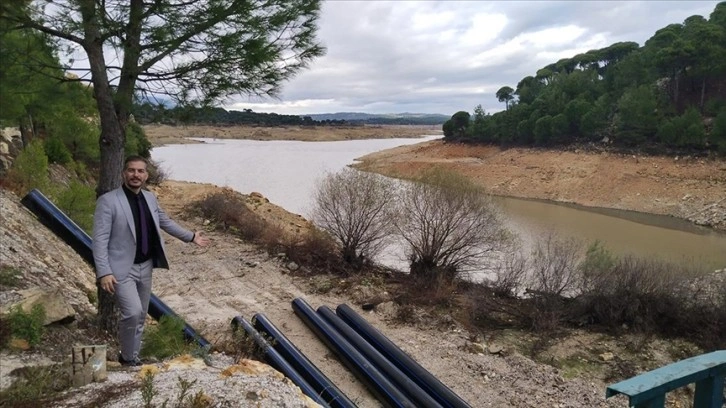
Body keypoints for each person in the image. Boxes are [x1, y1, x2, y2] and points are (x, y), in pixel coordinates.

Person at [92, 155, 210, 366]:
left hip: (145, 266)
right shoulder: (108, 201)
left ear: (146, 175)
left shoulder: (150, 198)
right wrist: (104, 272)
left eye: (140, 171)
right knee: (133, 312)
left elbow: (165, 222)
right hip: (121, 269)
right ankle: (128, 357)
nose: (135, 175)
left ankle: (130, 357)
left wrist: (191, 236)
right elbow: (99, 240)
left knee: (141, 315)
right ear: (123, 173)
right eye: (131, 170)